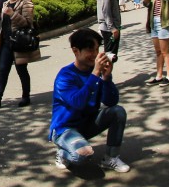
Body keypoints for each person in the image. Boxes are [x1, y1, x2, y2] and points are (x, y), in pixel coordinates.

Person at [49, 28, 130, 173]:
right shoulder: (65, 76)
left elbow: (111, 102)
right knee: (82, 156)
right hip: (65, 128)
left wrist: (106, 78)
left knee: (118, 112)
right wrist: (95, 74)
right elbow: (77, 103)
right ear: (75, 51)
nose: (95, 55)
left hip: (87, 123)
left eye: (97, 49)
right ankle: (63, 152)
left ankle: (111, 158)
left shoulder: (95, 72)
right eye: (90, 50)